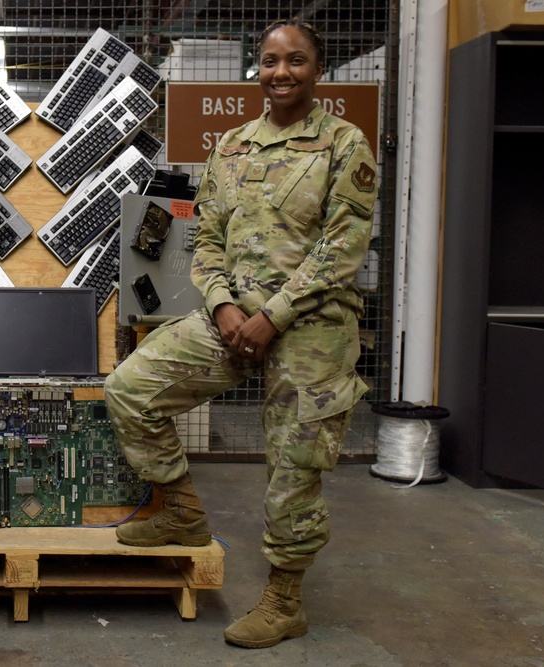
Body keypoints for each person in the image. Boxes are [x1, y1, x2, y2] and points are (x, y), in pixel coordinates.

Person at [104, 19, 377, 648]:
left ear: (318, 70)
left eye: (296, 61)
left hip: (310, 326)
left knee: (293, 464)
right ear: (258, 68)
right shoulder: (230, 145)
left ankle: (285, 599)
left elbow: (342, 249)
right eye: (270, 61)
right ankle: (179, 510)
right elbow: (205, 238)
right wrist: (224, 307)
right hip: (231, 319)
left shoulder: (343, 143)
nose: (281, 73)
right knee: (130, 386)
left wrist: (271, 316)